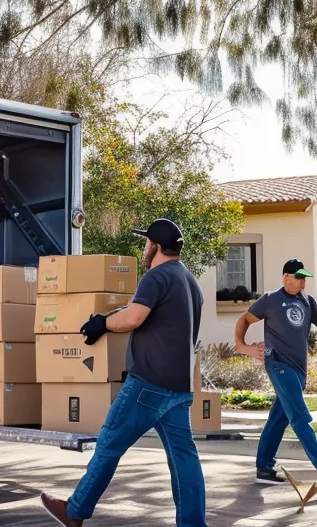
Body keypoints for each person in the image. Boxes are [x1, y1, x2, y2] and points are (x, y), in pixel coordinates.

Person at [41, 218, 206, 527]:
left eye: (147, 243)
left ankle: (75, 512)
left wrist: (102, 323)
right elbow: (146, 316)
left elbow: (134, 317)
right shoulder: (191, 283)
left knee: (109, 445)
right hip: (179, 387)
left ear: (155, 247)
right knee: (184, 459)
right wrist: (110, 318)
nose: (145, 248)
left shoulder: (155, 277)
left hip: (147, 385)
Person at [235, 259, 317, 496]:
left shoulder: (307, 302)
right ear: (285, 277)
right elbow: (245, 319)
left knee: (279, 417)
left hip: (299, 371)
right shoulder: (270, 300)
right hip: (278, 364)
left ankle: (264, 467)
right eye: (299, 277)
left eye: (305, 277)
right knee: (299, 417)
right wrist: (244, 347)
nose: (303, 282)